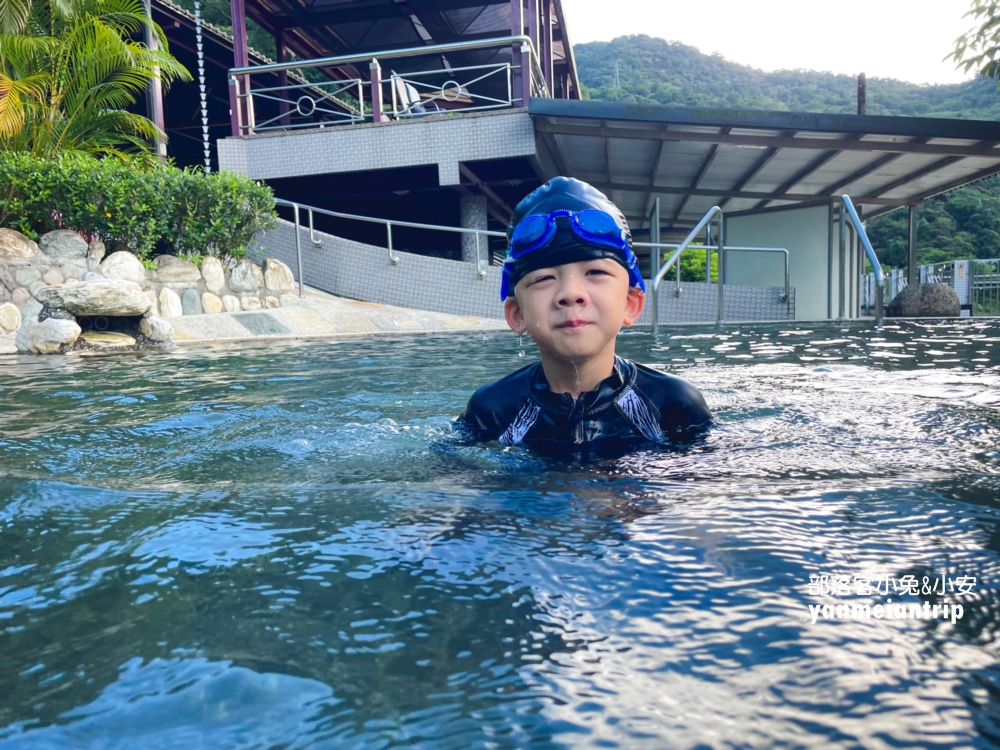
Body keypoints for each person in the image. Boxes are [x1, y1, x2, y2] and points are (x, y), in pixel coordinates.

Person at [457, 177, 712, 457]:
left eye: (596, 273)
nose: (570, 293)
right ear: (517, 314)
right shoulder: (492, 409)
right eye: (543, 278)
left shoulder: (674, 404)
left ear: (630, 304)